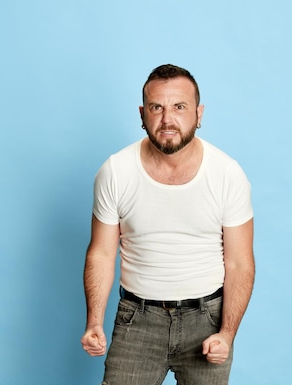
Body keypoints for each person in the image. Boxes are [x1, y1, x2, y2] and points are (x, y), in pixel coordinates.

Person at [81, 64, 254, 385]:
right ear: (142, 113)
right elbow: (101, 254)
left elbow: (240, 262)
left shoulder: (227, 174)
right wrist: (94, 322)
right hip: (138, 319)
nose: (167, 119)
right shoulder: (116, 171)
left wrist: (227, 334)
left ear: (199, 113)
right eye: (156, 107)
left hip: (207, 319)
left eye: (179, 107)